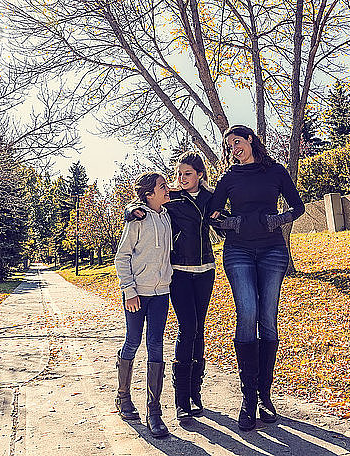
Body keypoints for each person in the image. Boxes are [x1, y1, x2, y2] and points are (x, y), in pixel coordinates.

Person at [208, 125, 305, 431]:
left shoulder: (275, 171)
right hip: (238, 252)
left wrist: (274, 221)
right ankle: (248, 398)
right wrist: (237, 224)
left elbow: (297, 207)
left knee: (268, 319)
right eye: (229, 146)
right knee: (247, 314)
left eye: (237, 142)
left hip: (272, 252)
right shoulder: (229, 178)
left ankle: (265, 396)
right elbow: (213, 214)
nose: (233, 148)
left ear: (250, 139)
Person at [125, 152, 219, 422]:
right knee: (187, 328)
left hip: (205, 270)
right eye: (178, 174)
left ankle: (194, 392)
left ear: (200, 174)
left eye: (187, 173)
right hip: (179, 271)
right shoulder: (172, 197)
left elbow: (223, 215)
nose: (181, 179)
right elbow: (140, 202)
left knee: (199, 329)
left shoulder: (210, 197)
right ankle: (181, 400)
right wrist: (130, 210)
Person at [114, 172, 173, 438]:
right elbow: (121, 257)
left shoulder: (167, 216)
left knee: (157, 345)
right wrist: (129, 291)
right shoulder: (137, 219)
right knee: (133, 342)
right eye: (162, 187)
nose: (167, 188)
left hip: (162, 294)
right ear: (149, 194)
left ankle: (154, 410)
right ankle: (123, 397)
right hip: (137, 295)